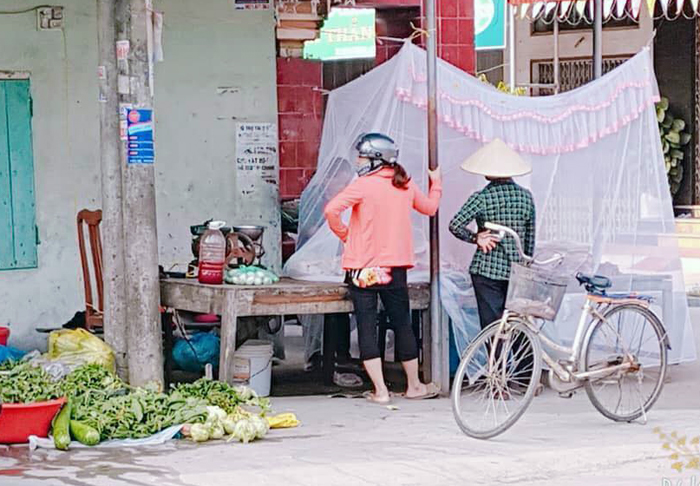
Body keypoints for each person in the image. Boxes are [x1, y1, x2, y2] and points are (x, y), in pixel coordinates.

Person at [324, 132, 442, 404]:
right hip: (394, 267)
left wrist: (346, 235)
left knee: (366, 325)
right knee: (402, 323)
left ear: (376, 159)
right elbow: (431, 208)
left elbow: (331, 210)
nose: (358, 161)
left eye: (362, 156)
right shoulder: (405, 184)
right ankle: (414, 386)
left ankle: (381, 391)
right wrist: (436, 184)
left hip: (362, 268)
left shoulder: (362, 185)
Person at [448, 139, 535, 332]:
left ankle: (495, 362)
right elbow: (529, 239)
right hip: (517, 271)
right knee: (519, 326)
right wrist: (526, 267)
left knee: (492, 329)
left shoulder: (482, 197)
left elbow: (455, 225)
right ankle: (526, 363)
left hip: (487, 269)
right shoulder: (526, 196)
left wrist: (475, 238)